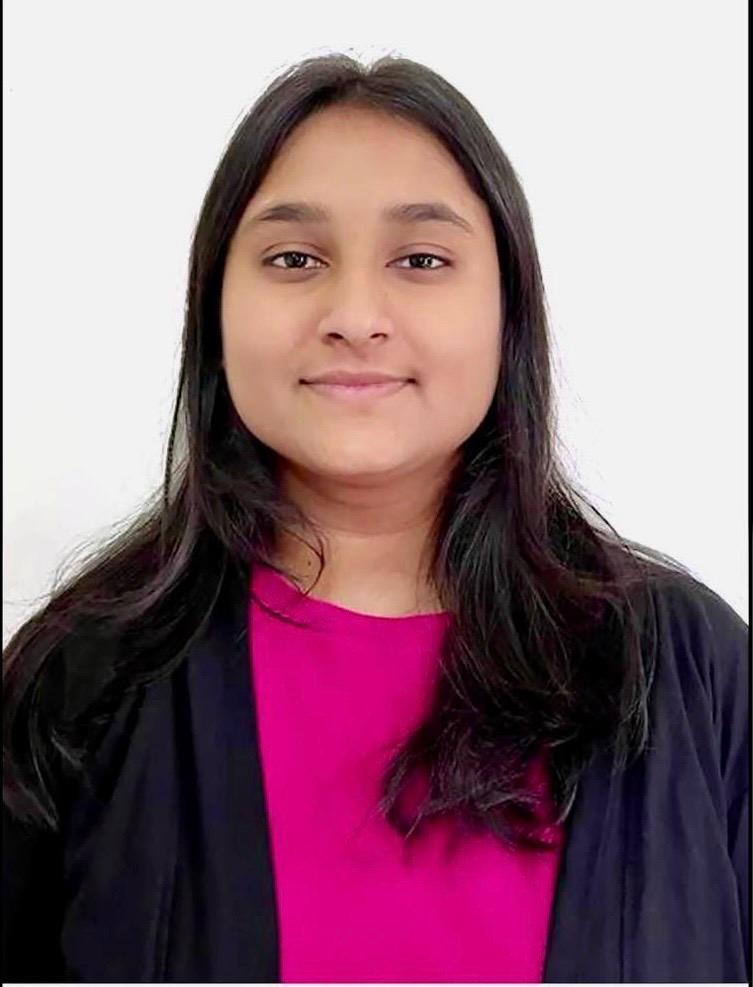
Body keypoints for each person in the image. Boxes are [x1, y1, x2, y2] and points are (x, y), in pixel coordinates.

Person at [3, 52, 749, 984]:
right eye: (294, 259)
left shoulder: (692, 673)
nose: (355, 315)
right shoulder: (79, 680)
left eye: (421, 259)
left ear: (509, 312)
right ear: (214, 312)